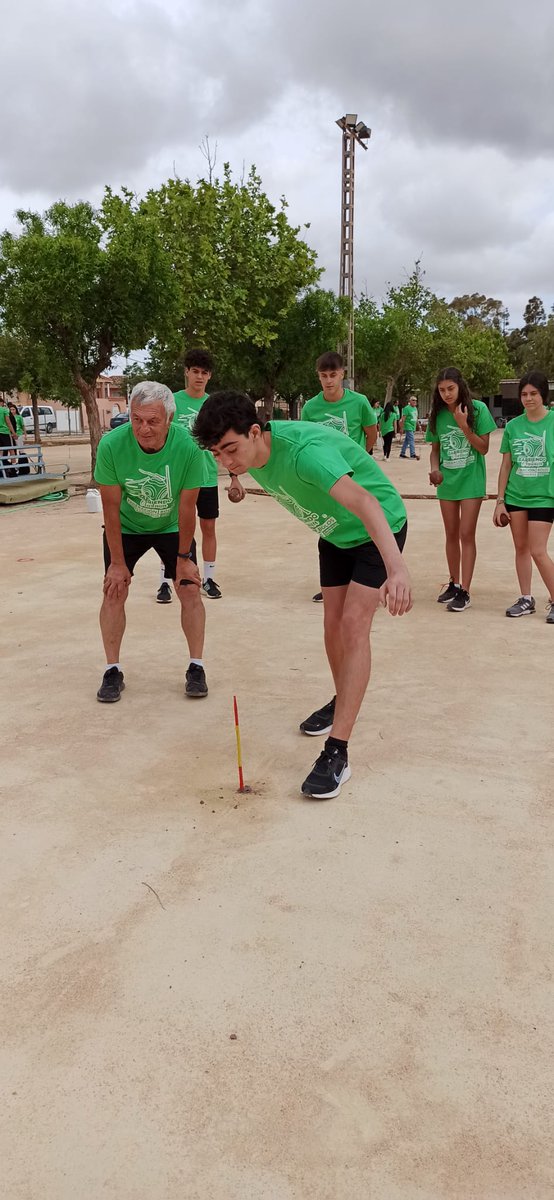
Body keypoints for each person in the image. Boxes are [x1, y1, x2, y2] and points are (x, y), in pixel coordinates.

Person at [193, 391, 412, 801]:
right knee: (331, 625)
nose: (225, 462)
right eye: (217, 454)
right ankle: (341, 696)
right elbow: (234, 457)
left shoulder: (305, 453)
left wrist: (396, 567)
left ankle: (337, 751)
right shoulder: (250, 452)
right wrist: (237, 475)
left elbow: (365, 502)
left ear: (255, 432)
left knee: (353, 626)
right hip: (334, 533)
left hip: (376, 528)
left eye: (230, 451)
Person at [94, 381, 209, 703]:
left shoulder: (188, 447)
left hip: (172, 525)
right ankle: (112, 669)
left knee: (188, 587)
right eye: (136, 419)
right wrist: (117, 564)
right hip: (127, 527)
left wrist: (184, 557)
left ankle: (196, 666)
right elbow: (110, 509)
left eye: (153, 421)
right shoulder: (112, 446)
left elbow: (188, 508)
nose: (143, 429)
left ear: (169, 419)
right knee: (114, 589)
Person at [301, 350, 378, 601]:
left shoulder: (359, 402)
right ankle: (333, 583)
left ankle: (366, 579)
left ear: (342, 374)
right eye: (324, 376)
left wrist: (361, 461)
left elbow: (371, 432)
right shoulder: (311, 407)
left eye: (333, 375)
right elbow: (307, 440)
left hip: (354, 475)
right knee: (330, 524)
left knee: (362, 522)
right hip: (325, 476)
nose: (329, 380)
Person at [426, 366, 496, 612]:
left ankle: (465, 590)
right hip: (448, 484)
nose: (446, 394)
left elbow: (484, 448)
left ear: (460, 386)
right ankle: (454, 582)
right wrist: (435, 470)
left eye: (451, 388)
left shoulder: (478, 410)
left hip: (471, 482)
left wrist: (463, 425)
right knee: (451, 534)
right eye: (442, 390)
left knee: (467, 534)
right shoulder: (437, 414)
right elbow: (435, 450)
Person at [156, 348, 222, 605]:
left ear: (210, 376)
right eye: (195, 371)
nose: (199, 377)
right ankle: (165, 581)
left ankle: (208, 577)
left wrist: (236, 475)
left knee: (208, 527)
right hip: (177, 478)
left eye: (204, 373)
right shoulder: (171, 401)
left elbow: (220, 441)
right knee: (172, 528)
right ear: (186, 372)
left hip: (206, 476)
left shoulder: (213, 405)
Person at [493, 370, 554, 623]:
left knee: (538, 551)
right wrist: (499, 501)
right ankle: (526, 598)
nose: (528, 399)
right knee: (521, 548)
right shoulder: (514, 426)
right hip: (516, 496)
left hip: (544, 496)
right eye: (524, 394)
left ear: (544, 395)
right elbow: (506, 465)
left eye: (534, 394)